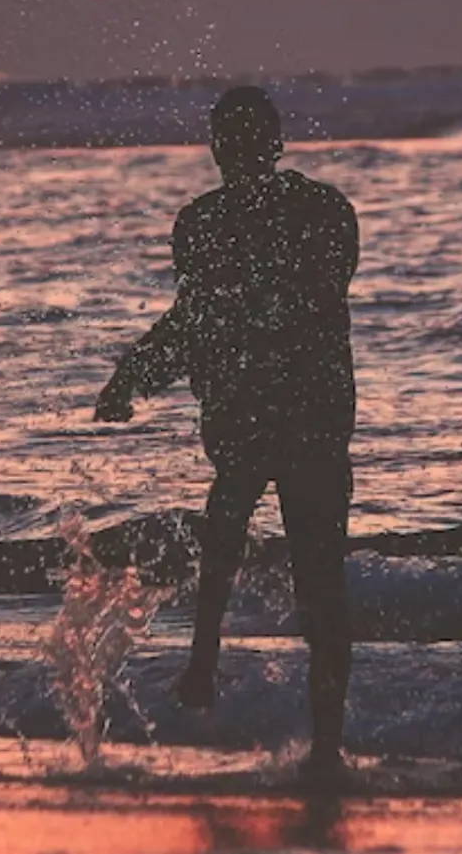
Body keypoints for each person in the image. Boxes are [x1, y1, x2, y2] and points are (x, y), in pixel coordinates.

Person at [94, 85, 358, 777]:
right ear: (217, 149)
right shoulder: (214, 221)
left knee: (312, 579)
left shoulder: (319, 211)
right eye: (226, 139)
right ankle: (212, 668)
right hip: (271, 410)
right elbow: (192, 318)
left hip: (304, 411)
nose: (233, 151)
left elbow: (315, 299)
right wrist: (132, 376)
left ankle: (312, 736)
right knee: (244, 539)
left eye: (243, 138)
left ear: (273, 143)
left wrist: (146, 370)